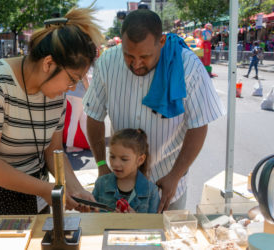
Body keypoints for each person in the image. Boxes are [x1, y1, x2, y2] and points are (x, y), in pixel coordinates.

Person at [0, 6, 104, 222]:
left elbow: (54, 150)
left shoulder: (55, 95)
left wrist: (77, 190)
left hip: (33, 186)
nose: (72, 87)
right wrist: (44, 189)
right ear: (48, 64)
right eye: (73, 79)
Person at [83, 9, 225, 213]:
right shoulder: (107, 62)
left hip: (167, 184)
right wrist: (102, 163)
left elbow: (199, 124)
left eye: (145, 56)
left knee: (165, 243)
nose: (136, 64)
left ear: (162, 42)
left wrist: (175, 175)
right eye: (129, 55)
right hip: (120, 187)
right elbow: (94, 115)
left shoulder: (188, 65)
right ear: (121, 42)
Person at [92, 129, 160, 213]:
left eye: (124, 159)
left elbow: (154, 224)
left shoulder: (151, 192)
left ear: (140, 160)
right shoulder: (101, 183)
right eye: (112, 157)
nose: (115, 163)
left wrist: (136, 220)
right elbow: (92, 217)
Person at [65, 73, 90, 153]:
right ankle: (69, 146)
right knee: (74, 120)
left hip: (70, 93)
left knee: (83, 118)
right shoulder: (82, 64)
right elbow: (85, 80)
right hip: (78, 95)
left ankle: (91, 144)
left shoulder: (72, 63)